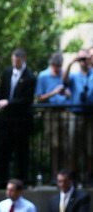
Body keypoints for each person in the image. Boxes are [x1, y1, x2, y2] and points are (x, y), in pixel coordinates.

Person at [0, 49, 37, 188]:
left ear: (24, 60)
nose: (15, 62)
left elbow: (27, 99)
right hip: (6, 121)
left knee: (21, 152)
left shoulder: (30, 77)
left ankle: (21, 181)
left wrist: (9, 102)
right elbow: (2, 92)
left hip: (21, 121)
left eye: (18, 60)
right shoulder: (7, 72)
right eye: (14, 60)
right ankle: (2, 181)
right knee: (3, 151)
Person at [36, 52, 71, 177]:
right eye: (56, 66)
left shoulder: (65, 75)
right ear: (52, 64)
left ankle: (66, 174)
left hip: (65, 111)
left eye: (60, 66)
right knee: (53, 145)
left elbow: (72, 93)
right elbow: (39, 98)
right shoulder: (43, 76)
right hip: (51, 112)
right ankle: (54, 174)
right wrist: (54, 92)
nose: (58, 69)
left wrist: (66, 93)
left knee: (66, 144)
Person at [63, 50, 93, 179]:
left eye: (85, 59)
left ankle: (90, 173)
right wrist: (70, 62)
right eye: (80, 59)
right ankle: (73, 174)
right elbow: (64, 81)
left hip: (91, 115)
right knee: (73, 146)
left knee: (91, 146)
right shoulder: (74, 76)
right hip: (76, 114)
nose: (83, 62)